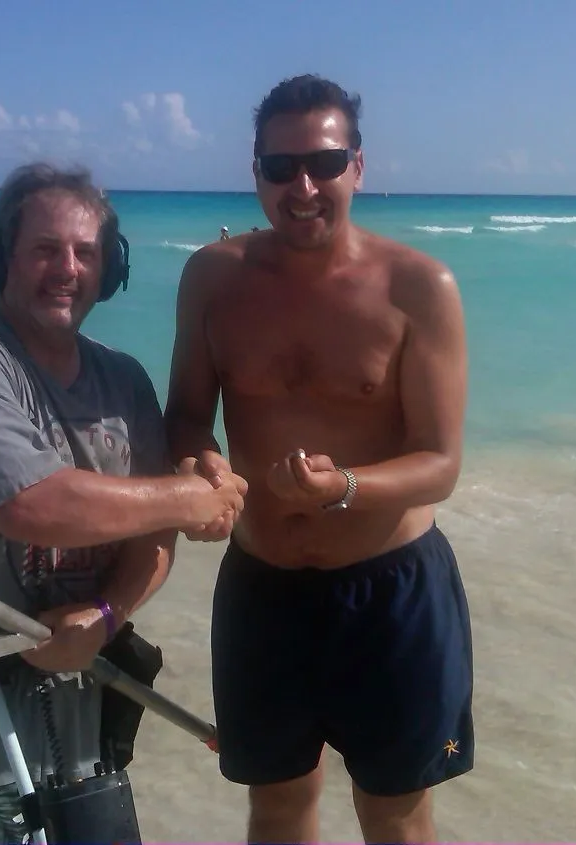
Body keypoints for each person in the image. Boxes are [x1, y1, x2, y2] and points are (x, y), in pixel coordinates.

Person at [0, 162, 248, 844]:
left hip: (83, 729)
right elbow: (33, 504)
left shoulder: (125, 379)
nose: (67, 268)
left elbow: (153, 535)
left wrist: (106, 615)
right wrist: (196, 496)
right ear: (1, 258)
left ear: (109, 269)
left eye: (85, 253)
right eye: (45, 249)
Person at [165, 75, 473, 844]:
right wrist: (201, 468)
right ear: (256, 174)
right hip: (261, 589)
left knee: (396, 815)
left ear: (357, 167)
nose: (302, 186)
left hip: (390, 593)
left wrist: (344, 488)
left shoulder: (418, 286)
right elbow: (185, 417)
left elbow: (438, 462)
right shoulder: (212, 278)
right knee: (274, 807)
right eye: (280, 166)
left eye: (324, 162)